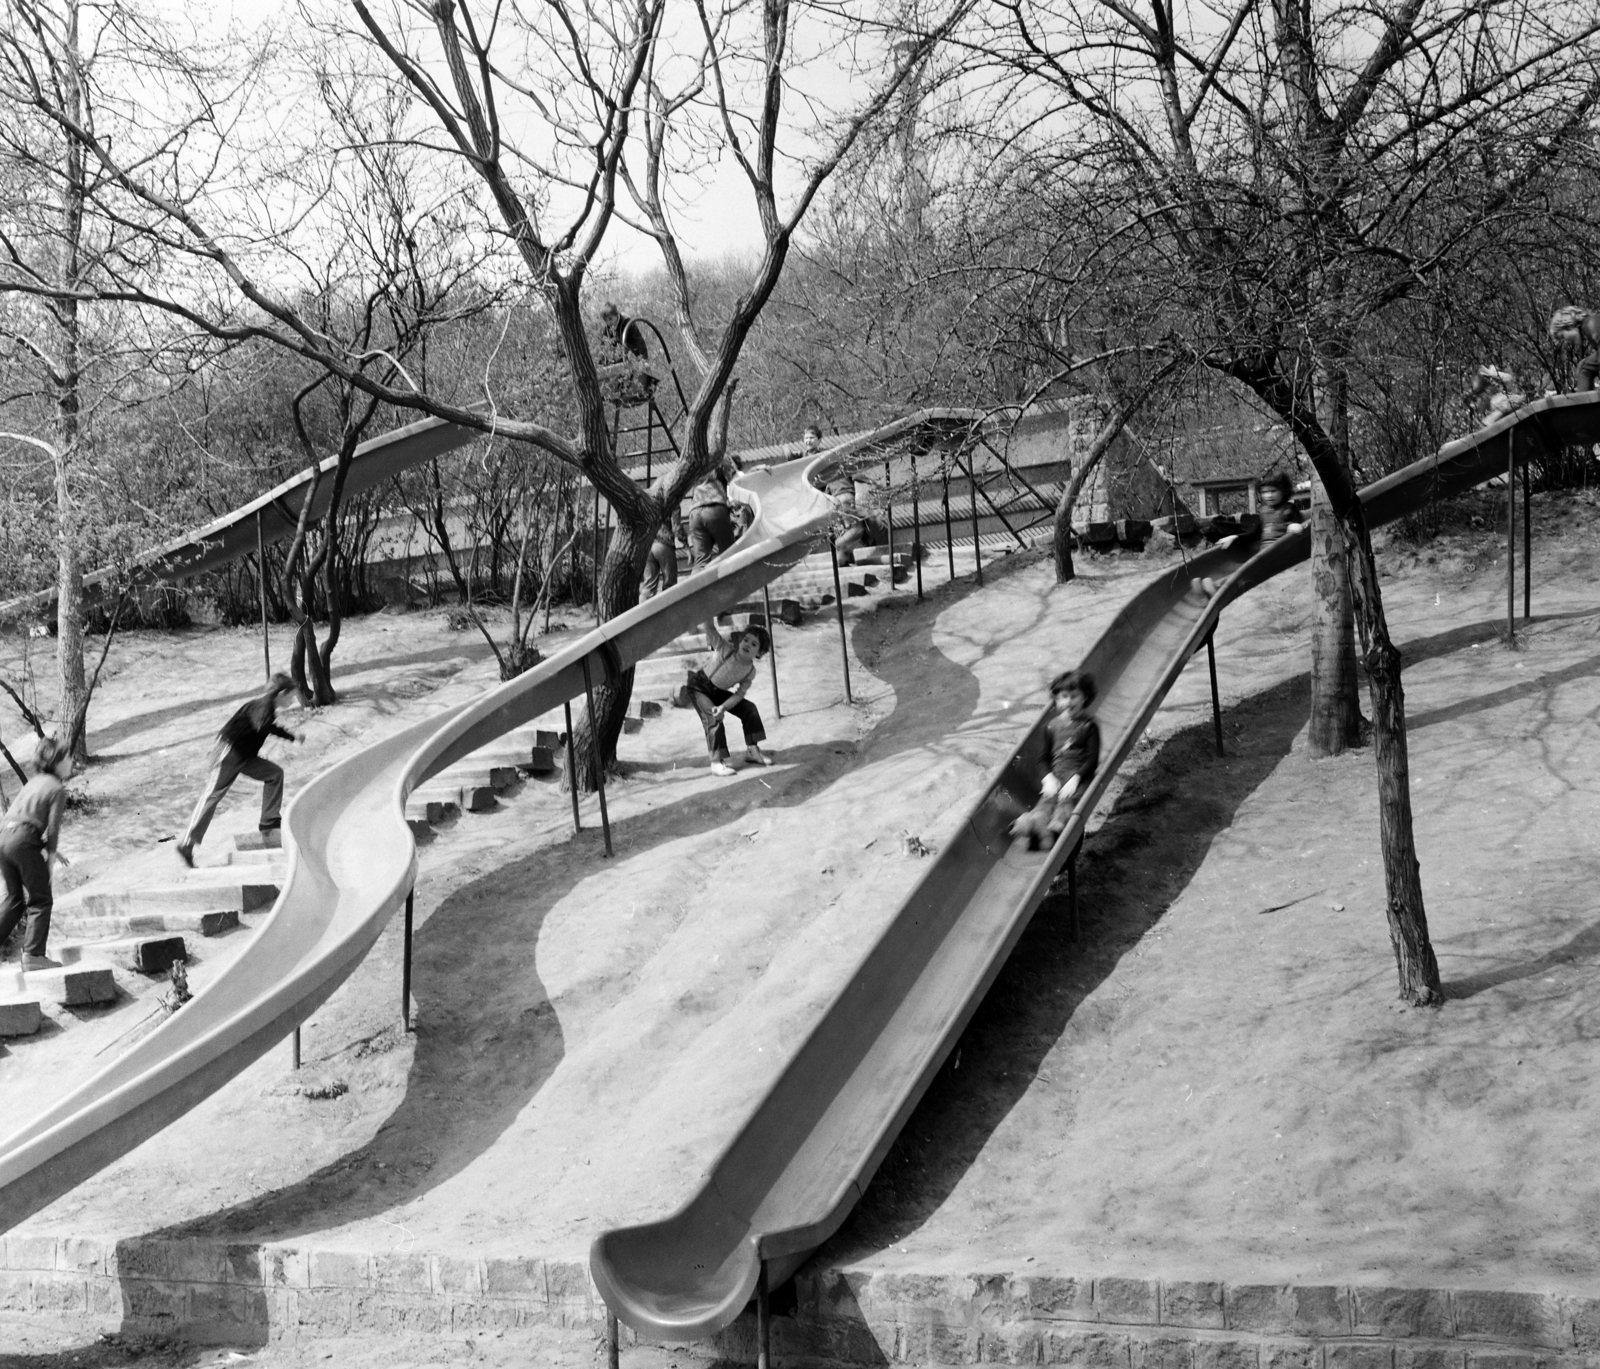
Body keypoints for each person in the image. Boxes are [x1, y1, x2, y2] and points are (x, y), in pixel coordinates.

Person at [176, 672, 303, 866]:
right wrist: (286, 734)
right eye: (291, 696)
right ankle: (187, 843)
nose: (293, 700)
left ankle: (269, 824)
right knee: (213, 794)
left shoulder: (266, 706)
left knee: (274, 774)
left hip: (244, 756)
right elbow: (262, 724)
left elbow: (267, 725)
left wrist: (292, 736)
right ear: (282, 693)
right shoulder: (262, 705)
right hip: (228, 752)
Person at [0, 734, 74, 971]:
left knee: (14, 899)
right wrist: (50, 857)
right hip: (23, 841)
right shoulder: (57, 788)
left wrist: (42, 847)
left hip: (3, 840)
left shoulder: (33, 783)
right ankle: (33, 955)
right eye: (68, 757)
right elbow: (52, 828)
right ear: (56, 762)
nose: (72, 761)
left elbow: (17, 821)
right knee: (41, 898)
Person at [1009, 670, 1100, 852]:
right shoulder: (1051, 727)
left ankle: (1054, 829)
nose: (1069, 702)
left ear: (1085, 698)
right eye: (1064, 697)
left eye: (1074, 696)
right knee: (1047, 801)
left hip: (1079, 776)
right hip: (1057, 776)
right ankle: (1035, 823)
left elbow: (1092, 760)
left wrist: (1076, 779)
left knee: (1066, 802)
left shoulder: (1089, 726)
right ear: (1057, 700)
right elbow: (1043, 759)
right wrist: (1048, 778)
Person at [686, 618, 774, 777]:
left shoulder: (750, 671)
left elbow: (739, 694)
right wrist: (708, 610)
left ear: (760, 653)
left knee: (749, 708)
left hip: (719, 692)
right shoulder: (724, 649)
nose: (747, 644)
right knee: (713, 718)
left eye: (754, 644)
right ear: (740, 640)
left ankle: (752, 750)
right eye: (746, 640)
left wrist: (723, 707)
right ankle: (716, 762)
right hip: (699, 686)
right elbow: (709, 627)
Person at [810, 424, 871, 561]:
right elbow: (860, 478)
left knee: (847, 531)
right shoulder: (843, 465)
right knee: (858, 529)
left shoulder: (828, 471)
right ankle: (840, 546)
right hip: (844, 498)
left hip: (835, 502)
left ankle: (842, 557)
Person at [688, 455, 745, 570]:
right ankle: (731, 586)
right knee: (729, 554)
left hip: (694, 512)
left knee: (700, 562)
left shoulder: (695, 461)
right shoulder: (720, 458)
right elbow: (736, 481)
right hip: (714, 507)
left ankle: (699, 587)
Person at [597, 301, 656, 404]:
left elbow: (640, 342)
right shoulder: (607, 330)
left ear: (616, 315)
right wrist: (600, 365)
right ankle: (610, 391)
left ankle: (635, 388)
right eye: (606, 321)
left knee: (636, 375)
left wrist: (645, 360)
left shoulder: (628, 324)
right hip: (620, 361)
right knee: (608, 376)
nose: (609, 323)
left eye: (610, 319)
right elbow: (604, 349)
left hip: (632, 357)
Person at [1548, 306, 1600, 393]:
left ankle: (1585, 404)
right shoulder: (1588, 327)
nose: (1567, 341)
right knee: (1583, 366)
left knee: (1584, 367)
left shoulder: (1592, 324)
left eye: (1563, 336)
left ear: (1567, 326)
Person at [641, 509, 681, 601]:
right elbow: (676, 526)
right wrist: (686, 545)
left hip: (647, 545)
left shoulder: (645, 498)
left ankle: (644, 614)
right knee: (670, 585)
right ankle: (669, 614)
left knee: (648, 587)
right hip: (664, 542)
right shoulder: (672, 498)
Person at [1257, 472, 1305, 543]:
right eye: (1265, 492)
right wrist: (1237, 536)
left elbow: (1297, 522)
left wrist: (1293, 526)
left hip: (1282, 548)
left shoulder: (1288, 508)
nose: (1269, 495)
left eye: (1273, 491)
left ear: (1283, 491)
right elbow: (1256, 533)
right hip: (1265, 551)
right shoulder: (1263, 511)